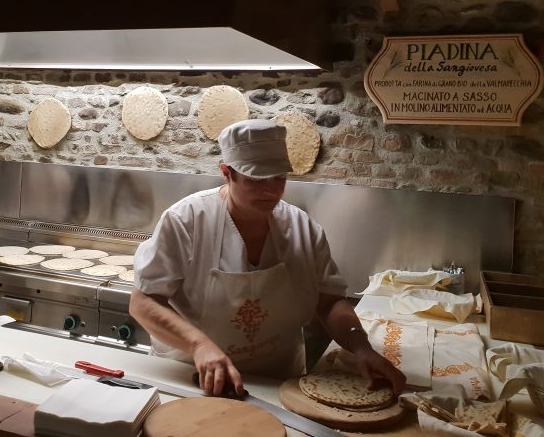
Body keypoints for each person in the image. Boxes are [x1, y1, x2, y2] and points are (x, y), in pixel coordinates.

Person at [130, 119, 406, 397]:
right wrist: (199, 345)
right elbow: (143, 302)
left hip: (276, 381)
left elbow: (330, 301)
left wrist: (361, 347)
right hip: (192, 378)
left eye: (279, 178)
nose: (270, 190)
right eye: (255, 180)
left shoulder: (302, 230)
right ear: (227, 172)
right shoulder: (187, 221)